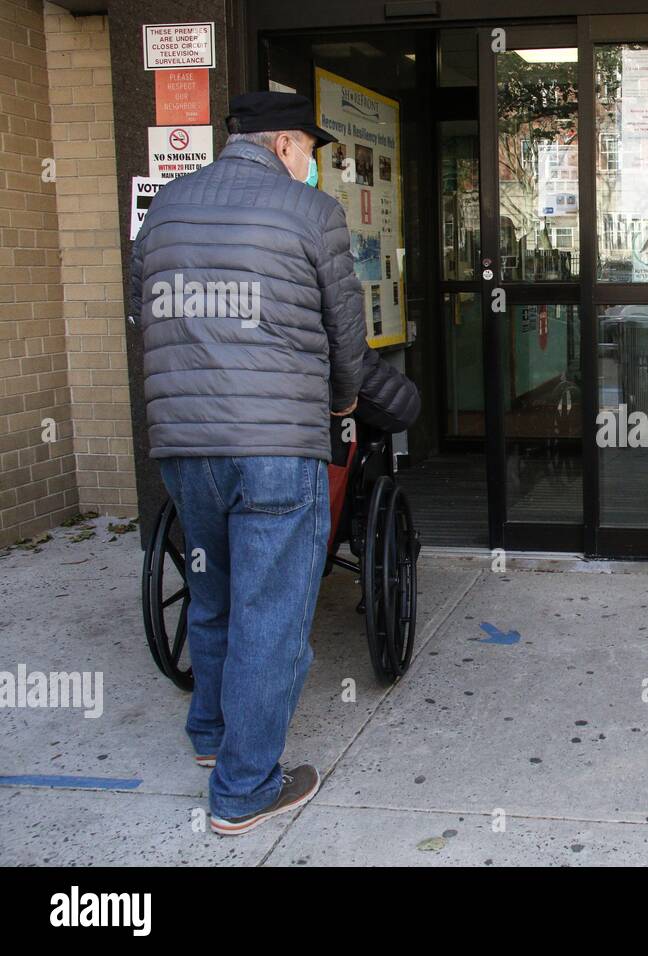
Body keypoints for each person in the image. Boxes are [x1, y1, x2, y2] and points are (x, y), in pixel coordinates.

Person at [129, 92, 367, 835]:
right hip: (273, 444)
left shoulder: (166, 208)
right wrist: (341, 401)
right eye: (310, 154)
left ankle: (210, 734)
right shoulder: (311, 214)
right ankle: (244, 787)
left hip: (183, 444)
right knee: (272, 612)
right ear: (287, 144)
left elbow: (145, 313)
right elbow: (345, 332)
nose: (310, 168)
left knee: (213, 586)